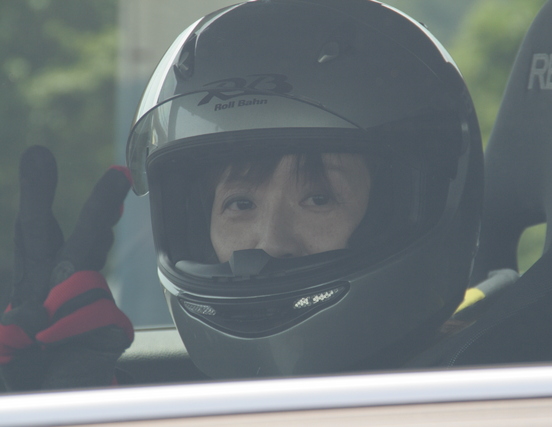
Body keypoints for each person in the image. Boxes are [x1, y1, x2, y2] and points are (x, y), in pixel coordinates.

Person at [0, 0, 483, 389]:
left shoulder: (487, 397)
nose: (268, 242)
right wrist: (63, 399)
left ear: (406, 208)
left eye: (318, 198)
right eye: (240, 203)